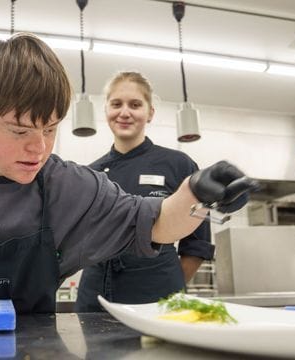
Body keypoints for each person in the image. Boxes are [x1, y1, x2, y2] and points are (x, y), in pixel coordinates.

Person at [0, 33, 255, 313]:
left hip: (34, 342)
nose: (39, 148)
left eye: (50, 128)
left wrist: (197, 193)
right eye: (19, 131)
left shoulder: (71, 186)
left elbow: (156, 224)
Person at [75, 72, 213, 312]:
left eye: (135, 104)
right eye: (116, 104)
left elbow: (198, 241)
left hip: (157, 289)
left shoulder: (178, 164)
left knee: (160, 351)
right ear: (106, 111)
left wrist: (169, 281)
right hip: (96, 291)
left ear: (150, 113)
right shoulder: (91, 173)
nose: (125, 112)